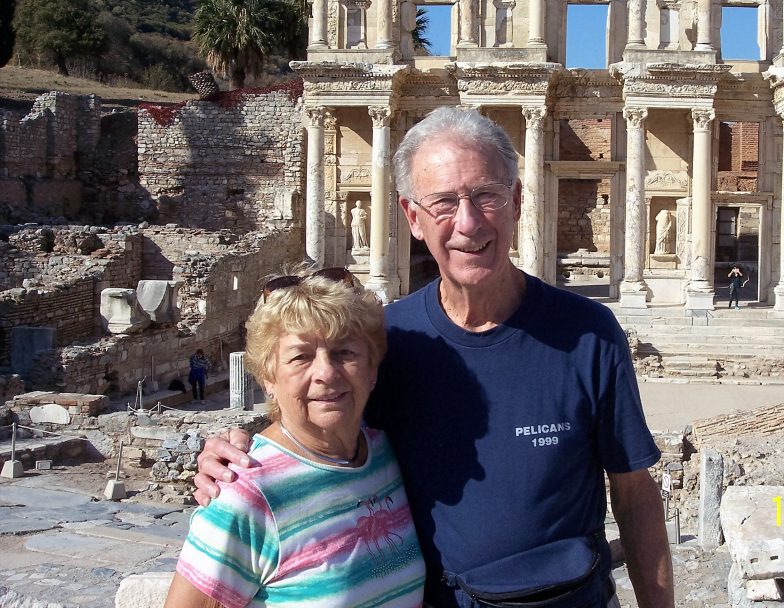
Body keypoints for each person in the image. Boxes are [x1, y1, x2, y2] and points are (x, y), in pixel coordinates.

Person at [195, 107, 673, 608]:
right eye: (444, 202)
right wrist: (234, 456)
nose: (467, 223)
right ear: (412, 218)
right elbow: (317, 434)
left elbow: (635, 495)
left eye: (486, 195)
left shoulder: (588, 335)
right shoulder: (386, 343)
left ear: (516, 200)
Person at [165, 270, 424, 607]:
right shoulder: (244, 495)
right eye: (301, 357)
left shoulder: (384, 455)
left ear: (372, 369)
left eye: (345, 352)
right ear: (268, 377)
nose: (326, 373)